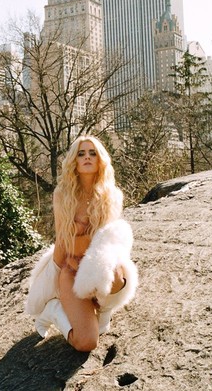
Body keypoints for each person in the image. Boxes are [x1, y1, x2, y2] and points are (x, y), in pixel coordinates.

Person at [26, 135, 138, 352]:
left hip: (98, 267)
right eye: (81, 153)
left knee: (116, 276)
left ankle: (103, 310)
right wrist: (52, 279)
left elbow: (111, 242)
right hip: (71, 270)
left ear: (100, 160)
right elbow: (62, 241)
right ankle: (54, 311)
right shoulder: (62, 195)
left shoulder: (112, 196)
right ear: (74, 161)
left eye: (92, 153)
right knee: (86, 343)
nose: (87, 157)